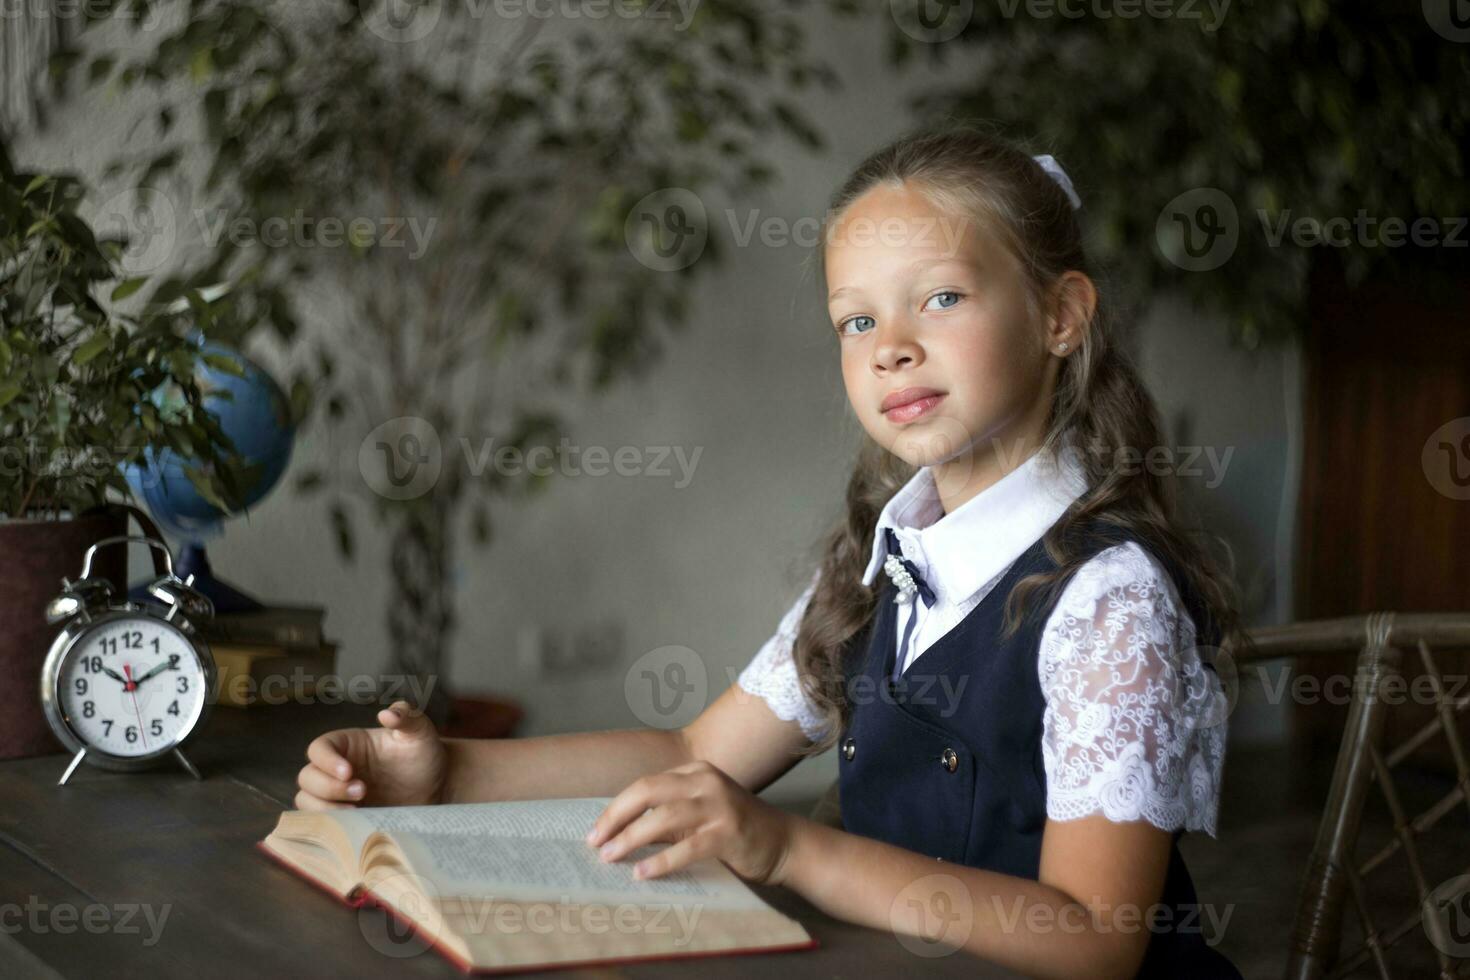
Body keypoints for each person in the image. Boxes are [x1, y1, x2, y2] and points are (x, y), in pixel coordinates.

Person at [295, 124, 1247, 979]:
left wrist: (789, 849)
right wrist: (448, 774)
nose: (891, 349)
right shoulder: (887, 562)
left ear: (1060, 315)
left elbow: (1097, 938)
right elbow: (692, 749)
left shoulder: (1107, 596)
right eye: (858, 321)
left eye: (943, 297)